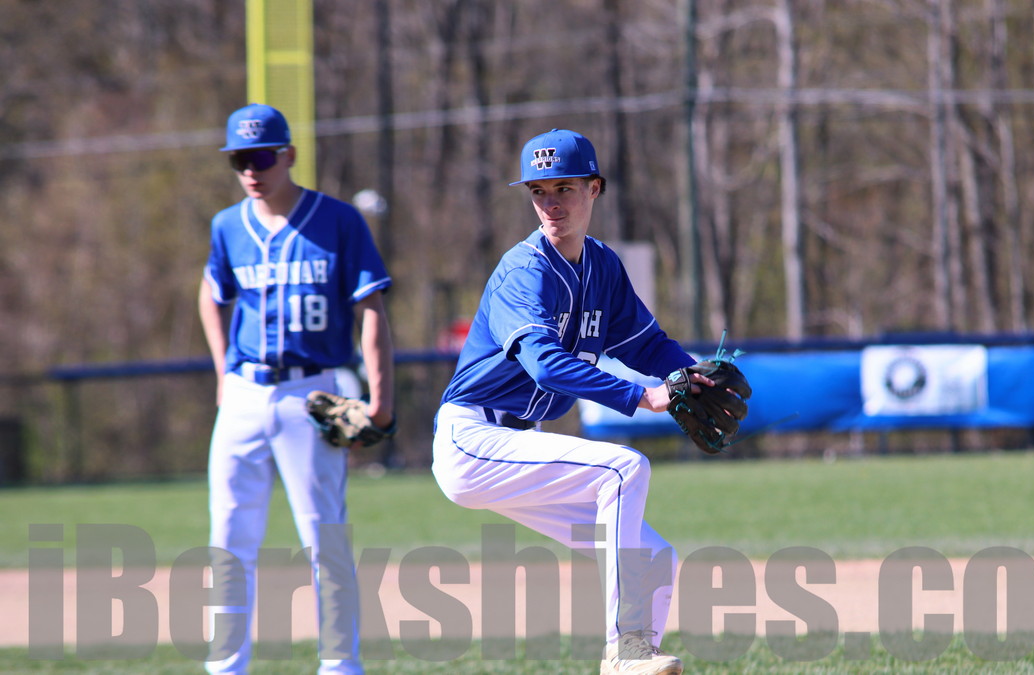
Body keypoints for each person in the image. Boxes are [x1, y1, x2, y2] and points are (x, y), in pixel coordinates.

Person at [432, 129, 711, 675]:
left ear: (594, 189)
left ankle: (633, 662)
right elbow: (546, 365)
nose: (551, 203)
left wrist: (690, 375)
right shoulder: (524, 271)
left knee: (655, 558)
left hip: (520, 443)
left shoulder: (602, 266)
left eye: (564, 188)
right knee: (623, 469)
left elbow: (645, 344)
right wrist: (643, 396)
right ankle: (623, 648)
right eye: (538, 191)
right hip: (473, 440)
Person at [198, 103, 394, 675]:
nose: (250, 170)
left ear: (289, 155)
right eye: (239, 160)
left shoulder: (338, 221)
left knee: (324, 537)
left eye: (261, 157)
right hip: (243, 393)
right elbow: (211, 293)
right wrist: (222, 372)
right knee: (228, 538)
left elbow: (372, 309)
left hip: (311, 394)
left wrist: (381, 400)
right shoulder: (227, 225)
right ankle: (225, 666)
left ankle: (340, 664)